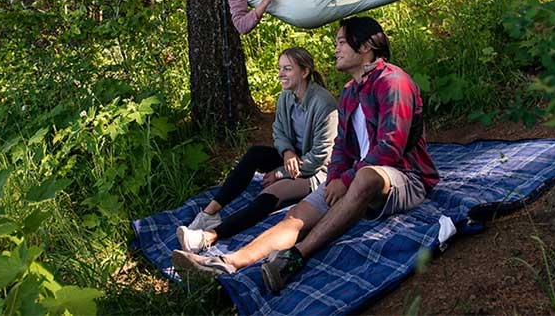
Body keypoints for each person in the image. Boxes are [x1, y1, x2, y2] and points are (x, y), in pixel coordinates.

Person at [172, 17, 440, 294]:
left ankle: (294, 257)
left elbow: (390, 147)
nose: (334, 48)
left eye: (340, 42)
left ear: (364, 47)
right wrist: (335, 177)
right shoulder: (349, 92)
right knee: (297, 216)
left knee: (365, 176)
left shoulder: (393, 83)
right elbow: (340, 148)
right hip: (353, 177)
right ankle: (225, 263)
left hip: (404, 176)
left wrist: (344, 179)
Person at [176, 47, 338, 254]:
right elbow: (278, 132)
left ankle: (207, 237)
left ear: (304, 72)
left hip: (318, 172)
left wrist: (281, 173)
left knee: (271, 193)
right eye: (280, 68)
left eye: (287, 69)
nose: (281, 74)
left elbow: (320, 158)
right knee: (255, 154)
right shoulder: (286, 97)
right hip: (294, 158)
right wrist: (287, 152)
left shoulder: (323, 104)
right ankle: (210, 213)